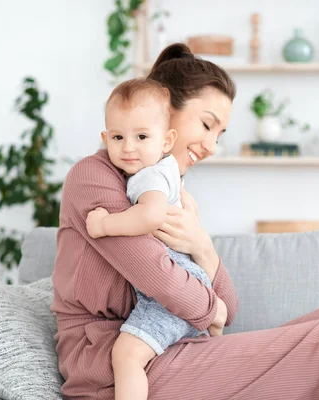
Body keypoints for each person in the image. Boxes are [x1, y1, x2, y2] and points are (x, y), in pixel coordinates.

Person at [51, 43, 319, 399]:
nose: (210, 145)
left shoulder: (173, 196)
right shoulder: (96, 177)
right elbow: (170, 285)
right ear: (165, 113)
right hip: (119, 366)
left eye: (219, 134)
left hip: (172, 347)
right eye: (207, 125)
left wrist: (203, 246)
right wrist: (211, 309)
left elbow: (229, 310)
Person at [84, 77, 219, 400]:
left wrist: (105, 225)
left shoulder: (150, 177)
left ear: (166, 140)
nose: (128, 147)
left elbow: (150, 216)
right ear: (105, 139)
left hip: (171, 294)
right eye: (118, 137)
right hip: (184, 285)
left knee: (126, 355)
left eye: (141, 136)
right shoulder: (168, 171)